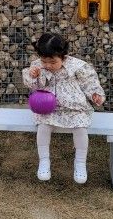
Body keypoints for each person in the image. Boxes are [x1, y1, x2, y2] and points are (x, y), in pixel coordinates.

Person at [22, 33, 105, 184]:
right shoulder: (38, 66)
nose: (47, 65)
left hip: (74, 108)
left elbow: (89, 83)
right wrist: (32, 76)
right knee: (43, 127)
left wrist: (95, 95)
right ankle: (44, 160)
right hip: (48, 108)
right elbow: (32, 86)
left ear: (63, 55)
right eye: (44, 61)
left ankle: (80, 163)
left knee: (80, 128)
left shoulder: (77, 67)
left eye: (52, 62)